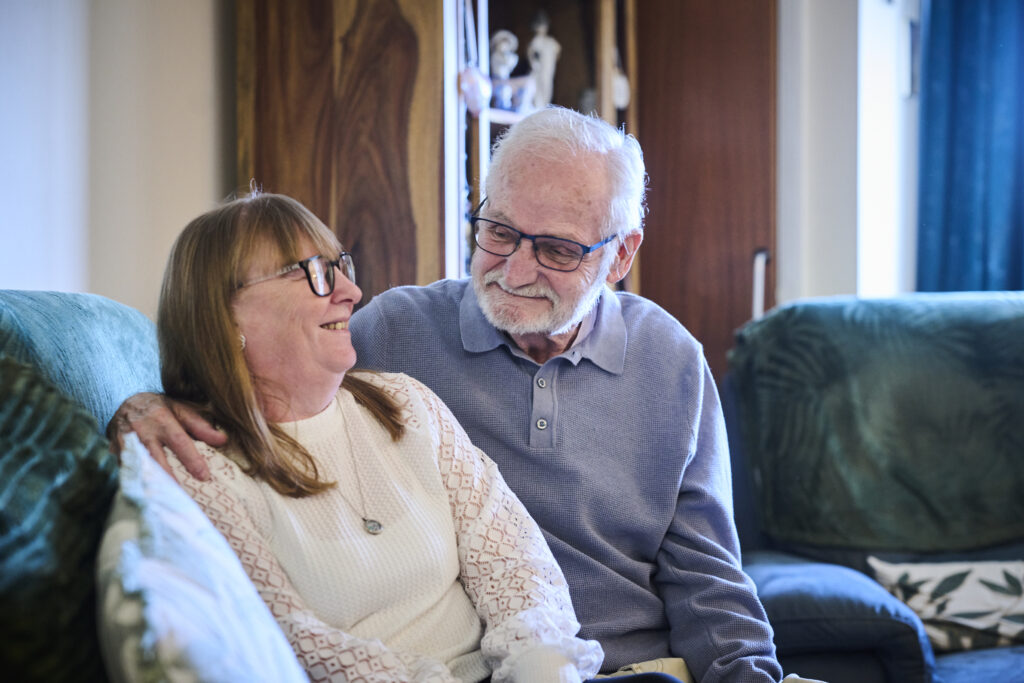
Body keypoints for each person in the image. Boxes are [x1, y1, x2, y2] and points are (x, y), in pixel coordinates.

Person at [111, 108, 814, 683]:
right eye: (499, 231)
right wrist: (144, 404)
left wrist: (752, 675)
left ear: (620, 254)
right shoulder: (393, 335)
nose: (513, 269)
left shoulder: (674, 362)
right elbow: (252, 359)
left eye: (558, 250)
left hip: (633, 664)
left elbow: (709, 577)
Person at [149, 192, 615, 683]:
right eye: (312, 271)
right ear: (224, 315)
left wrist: (539, 668)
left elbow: (513, 561)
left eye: (339, 265)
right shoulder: (199, 469)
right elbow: (293, 639)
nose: (350, 290)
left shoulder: (406, 404)